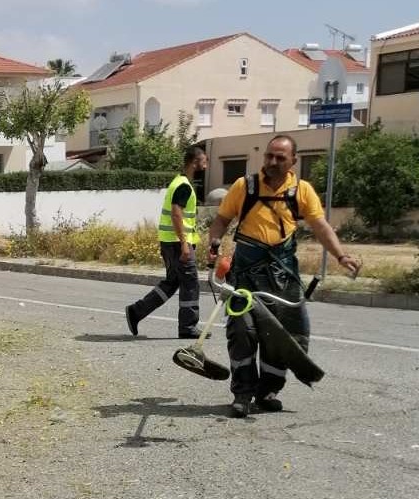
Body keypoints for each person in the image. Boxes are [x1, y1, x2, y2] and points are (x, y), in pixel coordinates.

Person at [207, 134, 360, 418]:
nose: (272, 162)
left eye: (280, 157)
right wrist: (214, 243)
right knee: (242, 331)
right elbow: (221, 220)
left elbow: (320, 226)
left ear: (293, 161)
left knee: (283, 335)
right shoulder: (245, 186)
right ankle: (242, 393)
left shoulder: (301, 191)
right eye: (269, 156)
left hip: (282, 274)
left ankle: (267, 392)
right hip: (245, 273)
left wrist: (341, 255)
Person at [126, 146, 210, 339]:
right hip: (177, 244)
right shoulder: (184, 186)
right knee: (190, 283)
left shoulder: (179, 182)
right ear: (194, 163)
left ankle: (136, 312)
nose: (205, 167)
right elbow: (176, 214)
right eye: (203, 162)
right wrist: (184, 244)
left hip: (169, 242)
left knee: (172, 283)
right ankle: (188, 327)